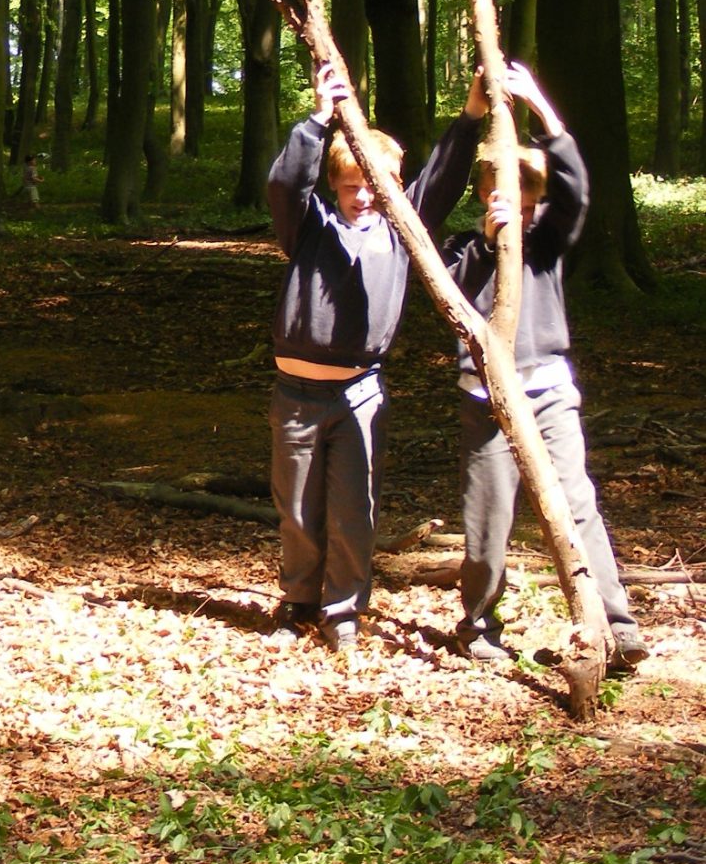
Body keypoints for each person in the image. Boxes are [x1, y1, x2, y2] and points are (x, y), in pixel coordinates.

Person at [267, 61, 485, 651]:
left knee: (352, 508)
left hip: (359, 392)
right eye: (349, 184)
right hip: (295, 395)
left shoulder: (400, 227)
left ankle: (342, 613)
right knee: (297, 508)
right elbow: (286, 184)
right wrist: (318, 118)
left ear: (391, 183)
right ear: (334, 185)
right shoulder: (309, 226)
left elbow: (442, 180)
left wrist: (470, 117)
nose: (362, 195)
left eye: (374, 183)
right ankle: (299, 603)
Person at [442, 63, 648, 670]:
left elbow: (579, 190)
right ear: (485, 193)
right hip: (486, 400)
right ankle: (478, 626)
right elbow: (456, 297)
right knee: (489, 515)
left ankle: (614, 622)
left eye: (531, 195)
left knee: (576, 504)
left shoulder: (550, 242)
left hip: (551, 395)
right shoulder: (462, 250)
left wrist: (542, 110)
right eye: (507, 193)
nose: (521, 207)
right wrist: (485, 241)